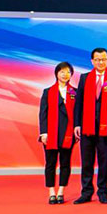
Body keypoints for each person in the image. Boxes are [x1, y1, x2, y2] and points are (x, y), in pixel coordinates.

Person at [73, 47, 107, 205]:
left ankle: (103, 192)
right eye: (97, 59)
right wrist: (77, 124)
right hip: (86, 126)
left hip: (106, 127)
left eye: (103, 59)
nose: (100, 62)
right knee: (87, 162)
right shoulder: (85, 78)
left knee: (104, 161)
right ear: (92, 61)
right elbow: (78, 103)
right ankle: (86, 192)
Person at [38, 61, 77, 204]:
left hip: (68, 133)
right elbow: (43, 114)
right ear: (56, 73)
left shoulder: (75, 92)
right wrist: (43, 132)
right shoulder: (48, 92)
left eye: (68, 72)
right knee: (50, 163)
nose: (65, 74)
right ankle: (51, 192)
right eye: (62, 72)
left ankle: (61, 191)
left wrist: (76, 129)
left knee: (65, 163)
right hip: (51, 134)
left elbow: (78, 113)